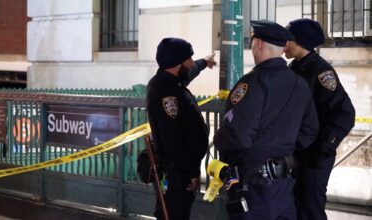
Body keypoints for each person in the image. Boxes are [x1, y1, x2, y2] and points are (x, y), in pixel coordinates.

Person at [213, 20, 320, 220]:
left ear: (259, 43)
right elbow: (310, 131)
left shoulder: (252, 83)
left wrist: (219, 139)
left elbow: (238, 137)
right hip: (284, 185)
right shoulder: (300, 83)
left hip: (254, 187)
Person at [285, 18, 356, 220]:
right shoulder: (295, 68)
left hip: (314, 155)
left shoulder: (321, 71)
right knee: (295, 208)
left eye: (288, 39)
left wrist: (323, 148)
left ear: (300, 41)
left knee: (310, 209)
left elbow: (344, 113)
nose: (284, 44)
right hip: (297, 152)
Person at [146, 37, 216, 220]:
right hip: (178, 171)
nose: (192, 63)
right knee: (174, 213)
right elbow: (173, 139)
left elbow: (190, 72)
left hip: (179, 169)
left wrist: (204, 63)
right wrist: (192, 172)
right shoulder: (166, 92)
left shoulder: (170, 81)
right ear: (178, 63)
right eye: (190, 59)